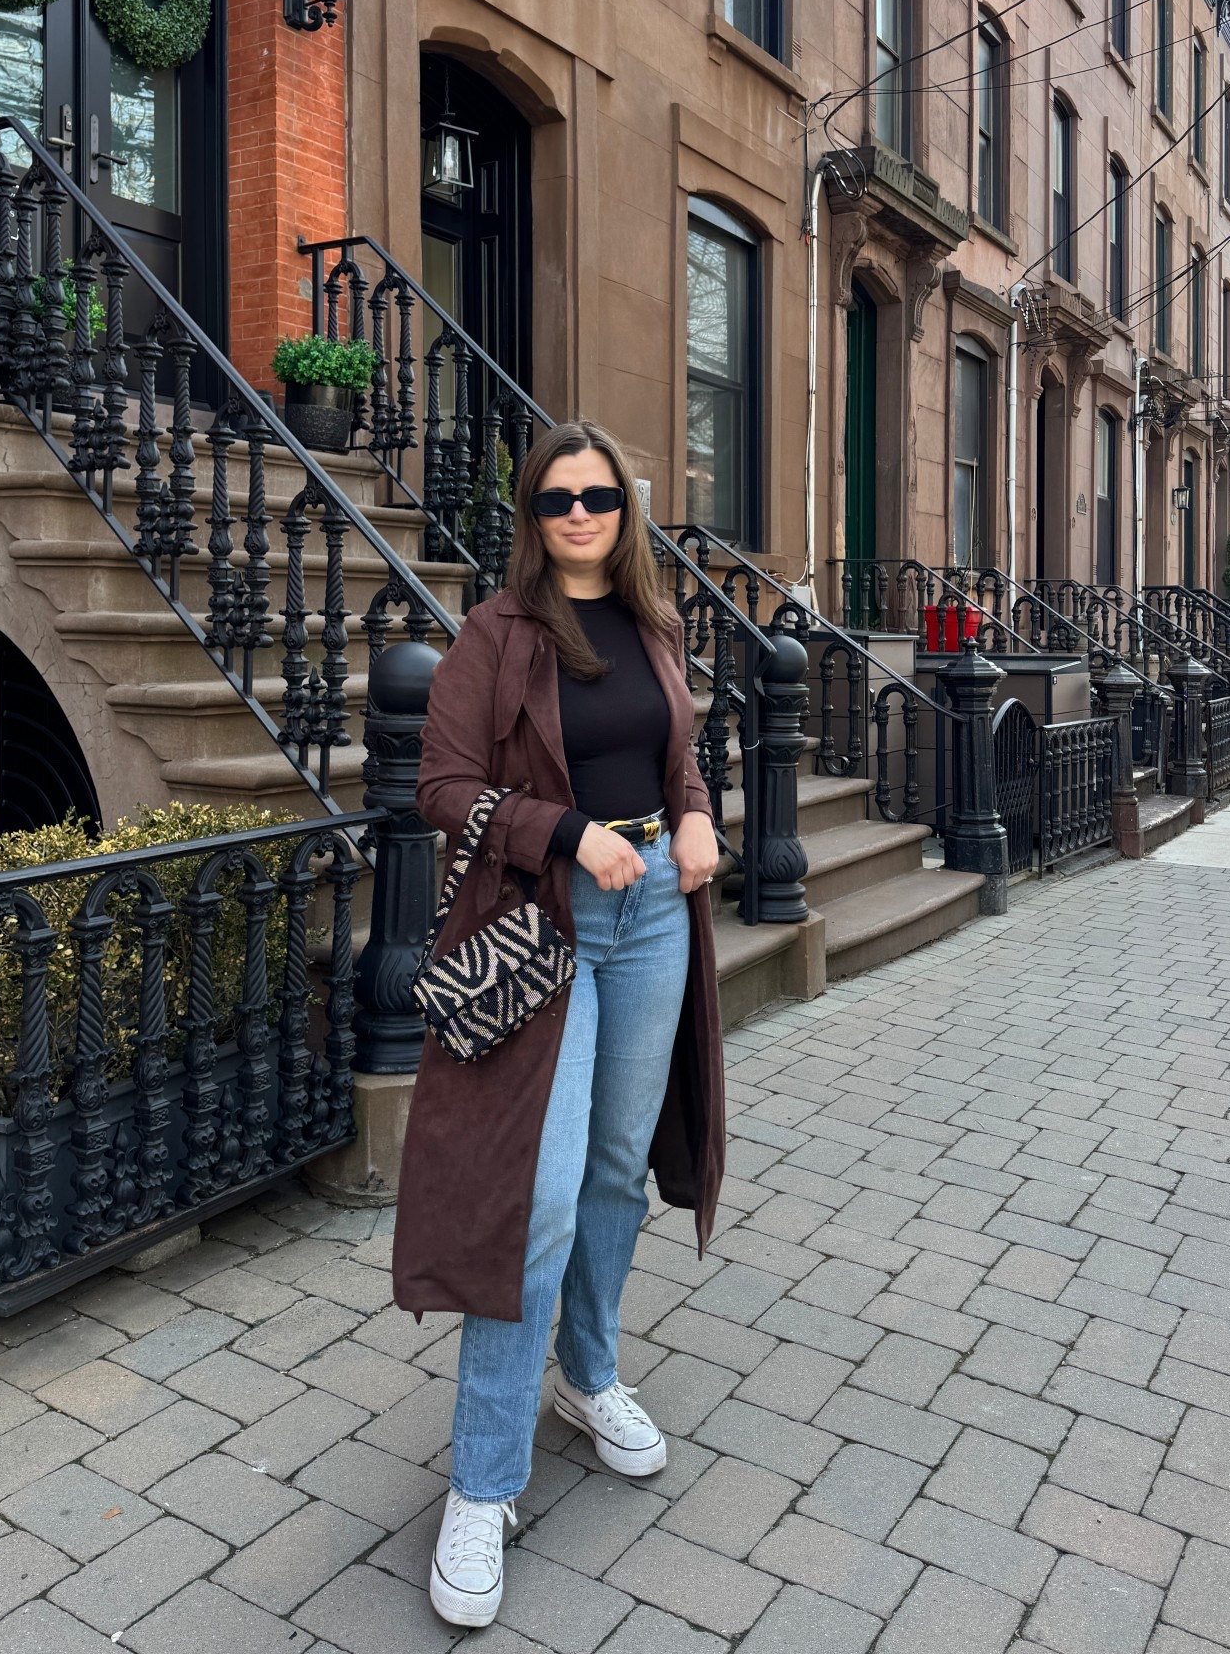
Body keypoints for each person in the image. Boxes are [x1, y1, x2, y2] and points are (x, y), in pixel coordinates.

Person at [392, 419, 726, 1631]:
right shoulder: (498, 631)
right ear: (531, 516)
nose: (579, 514)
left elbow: (674, 751)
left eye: (599, 495)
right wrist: (563, 832)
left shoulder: (653, 619)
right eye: (556, 499)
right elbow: (438, 784)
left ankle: (586, 1373)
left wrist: (693, 812)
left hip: (653, 923)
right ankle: (482, 1482)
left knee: (610, 1173)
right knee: (531, 1197)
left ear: (625, 510)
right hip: (547, 928)